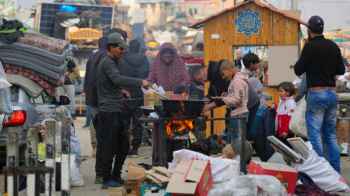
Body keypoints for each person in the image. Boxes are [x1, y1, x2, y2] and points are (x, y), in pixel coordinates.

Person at [96, 32, 150, 189]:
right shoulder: (107, 62)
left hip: (117, 108)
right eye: (120, 48)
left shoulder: (114, 61)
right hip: (109, 111)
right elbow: (117, 79)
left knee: (123, 145)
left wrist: (121, 91)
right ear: (111, 47)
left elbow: (113, 83)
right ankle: (107, 178)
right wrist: (140, 82)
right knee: (109, 146)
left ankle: (115, 175)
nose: (122, 51)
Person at [294, 15, 345, 173]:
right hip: (331, 94)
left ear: (309, 30)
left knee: (315, 136)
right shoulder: (333, 45)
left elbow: (298, 70)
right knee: (330, 136)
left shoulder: (309, 47)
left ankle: (319, 174)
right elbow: (341, 70)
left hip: (316, 94)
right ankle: (334, 173)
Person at [203, 60, 249, 150]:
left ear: (228, 69)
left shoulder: (237, 81)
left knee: (237, 140)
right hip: (237, 113)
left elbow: (237, 100)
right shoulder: (235, 80)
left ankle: (238, 159)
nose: (223, 77)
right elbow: (236, 96)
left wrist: (224, 99)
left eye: (224, 74)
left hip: (239, 114)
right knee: (234, 138)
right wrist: (226, 96)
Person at [119, 39, 150, 156]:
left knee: (125, 122)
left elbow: (119, 75)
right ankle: (135, 147)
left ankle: (125, 147)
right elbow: (147, 75)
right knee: (138, 122)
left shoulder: (122, 59)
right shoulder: (144, 59)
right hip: (140, 93)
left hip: (125, 93)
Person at [84, 36, 108, 184]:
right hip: (103, 100)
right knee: (105, 132)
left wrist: (87, 93)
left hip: (92, 99)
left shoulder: (91, 57)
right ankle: (102, 165)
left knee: (95, 125)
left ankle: (95, 147)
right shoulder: (107, 58)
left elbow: (87, 78)